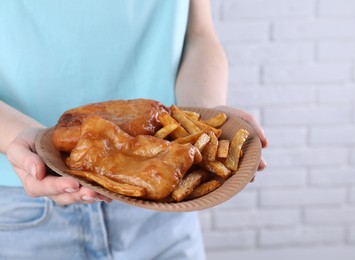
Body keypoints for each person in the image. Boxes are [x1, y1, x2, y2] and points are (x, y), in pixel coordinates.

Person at [0, 0, 267, 259]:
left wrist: (203, 120)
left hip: (165, 209)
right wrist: (18, 135)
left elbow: (198, 35)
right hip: (24, 211)